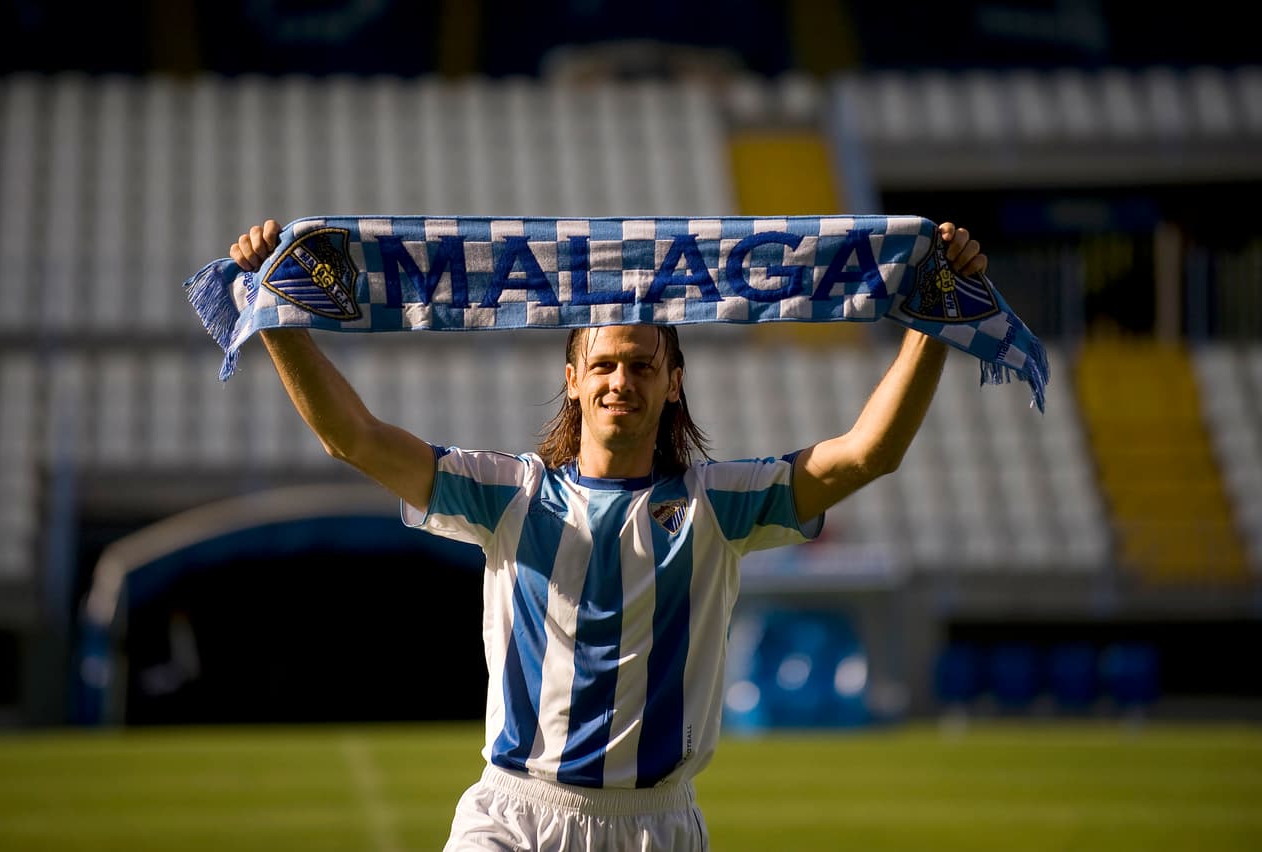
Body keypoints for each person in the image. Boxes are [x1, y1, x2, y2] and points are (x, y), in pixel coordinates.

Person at [229, 217, 986, 851]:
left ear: (673, 380)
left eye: (641, 365)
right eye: (604, 365)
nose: (621, 381)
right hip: (515, 814)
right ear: (572, 376)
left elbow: (868, 453)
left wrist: (933, 322)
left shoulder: (718, 503)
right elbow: (354, 438)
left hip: (654, 825)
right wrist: (277, 319)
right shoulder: (507, 493)